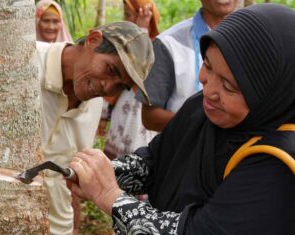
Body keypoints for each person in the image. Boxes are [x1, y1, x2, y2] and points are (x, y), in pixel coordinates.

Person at [67, 4, 295, 234]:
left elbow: (195, 230)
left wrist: (109, 196)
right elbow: (157, 159)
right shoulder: (206, 108)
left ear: (269, 95)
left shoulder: (276, 163)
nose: (209, 89)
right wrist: (104, 172)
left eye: (228, 86)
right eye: (207, 65)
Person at [35, 21, 154, 235]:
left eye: (120, 86)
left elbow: (71, 179)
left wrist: (75, 228)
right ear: (93, 40)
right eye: (111, 69)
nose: (107, 87)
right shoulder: (28, 62)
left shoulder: (95, 104)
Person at [136, 0, 238, 132]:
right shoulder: (169, 44)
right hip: (184, 149)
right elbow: (150, 117)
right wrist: (203, 124)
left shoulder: (253, 38)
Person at [102, 0, 160, 160]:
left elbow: (140, 66)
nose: (126, 20)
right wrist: (103, 114)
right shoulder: (122, 43)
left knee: (137, 154)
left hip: (141, 111)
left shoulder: (159, 44)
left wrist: (141, 30)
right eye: (125, 14)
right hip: (124, 106)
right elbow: (109, 77)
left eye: (129, 15)